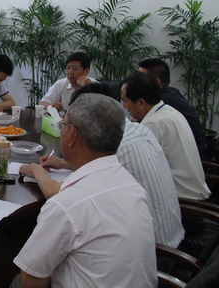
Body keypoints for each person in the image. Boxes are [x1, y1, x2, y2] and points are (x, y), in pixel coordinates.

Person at [12, 93, 156, 288]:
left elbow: (31, 280)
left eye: (62, 125)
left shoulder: (66, 205)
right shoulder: (133, 187)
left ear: (72, 134)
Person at [26, 83, 184, 248]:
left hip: (152, 248)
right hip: (169, 235)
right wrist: (65, 164)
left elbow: (62, 195)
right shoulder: (139, 130)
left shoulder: (113, 147)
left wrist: (37, 171)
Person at [121, 72, 210, 200]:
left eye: (125, 101)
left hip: (183, 199)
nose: (124, 106)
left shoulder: (152, 123)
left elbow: (138, 167)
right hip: (195, 190)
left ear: (140, 102)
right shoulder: (169, 111)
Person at [138, 58, 206, 159]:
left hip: (189, 157)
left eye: (140, 80)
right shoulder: (171, 93)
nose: (136, 83)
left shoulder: (163, 101)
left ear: (156, 82)